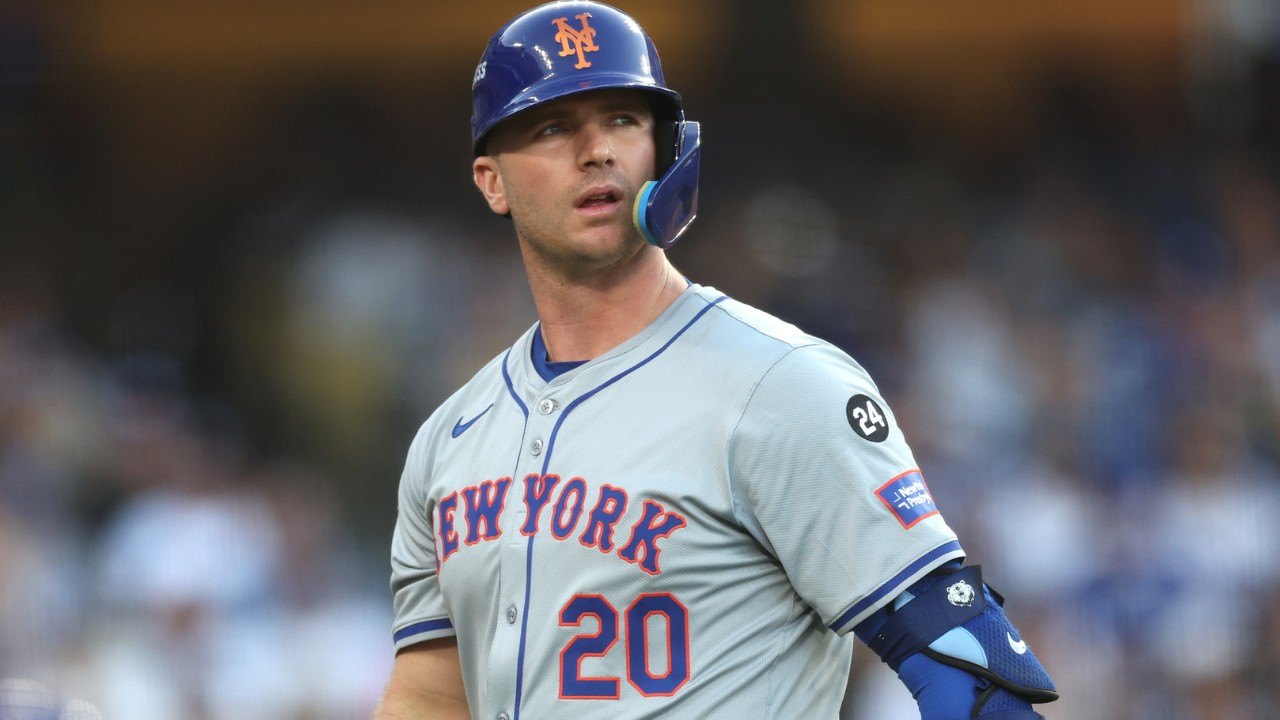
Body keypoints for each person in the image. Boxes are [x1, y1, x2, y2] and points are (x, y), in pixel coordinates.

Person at [373, 3, 1057, 719]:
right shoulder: (449, 441)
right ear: (492, 181)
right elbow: (427, 696)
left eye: (624, 120)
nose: (597, 149)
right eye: (552, 128)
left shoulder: (779, 384)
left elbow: (968, 667)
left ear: (665, 149)